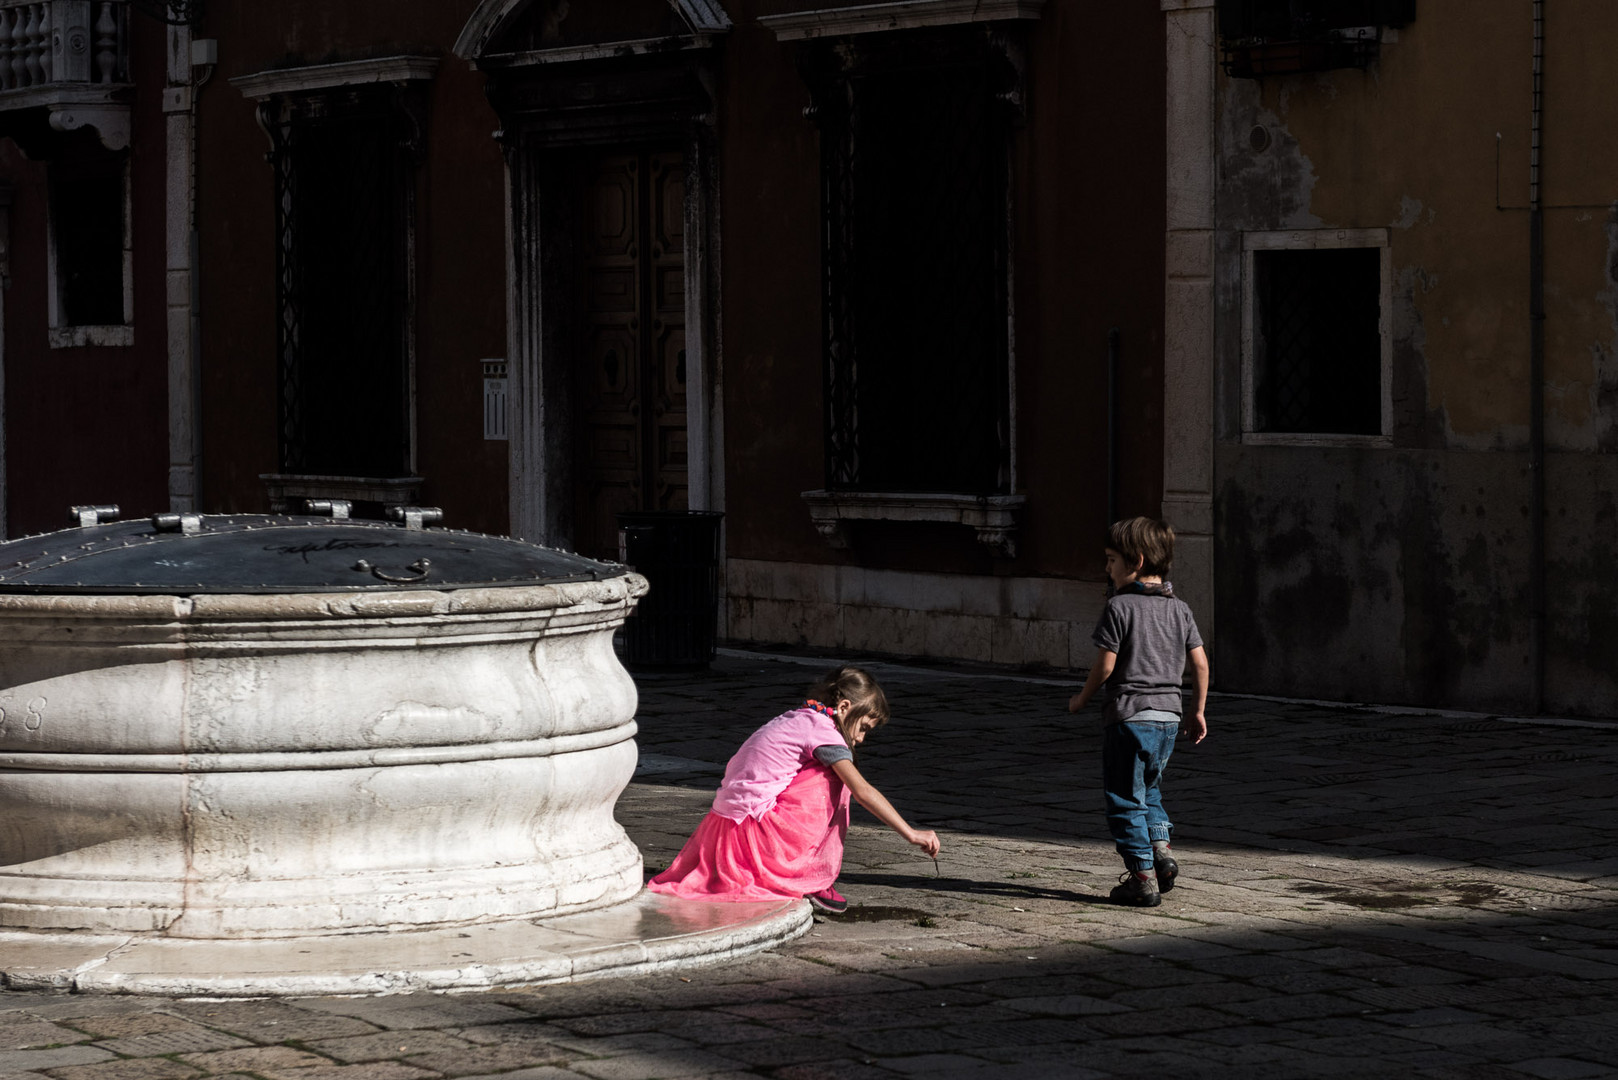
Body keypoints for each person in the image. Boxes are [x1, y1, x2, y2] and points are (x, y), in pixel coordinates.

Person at [647, 665, 940, 914]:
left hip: (725, 830)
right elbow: (863, 791)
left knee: (823, 770)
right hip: (751, 836)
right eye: (863, 727)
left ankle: (801, 873)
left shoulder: (799, 717)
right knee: (838, 781)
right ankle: (809, 875)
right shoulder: (824, 733)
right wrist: (911, 834)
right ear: (844, 708)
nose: (862, 738)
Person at [1067, 517, 1209, 908]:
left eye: (1111, 560)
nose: (1107, 569)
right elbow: (1200, 664)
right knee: (1148, 789)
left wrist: (1082, 698)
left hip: (1128, 717)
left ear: (1137, 561)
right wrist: (1197, 710)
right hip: (1168, 718)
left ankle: (1142, 877)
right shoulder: (1180, 610)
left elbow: (1106, 667)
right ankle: (1161, 851)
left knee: (1124, 798)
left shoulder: (1119, 606)